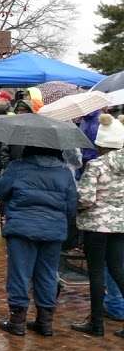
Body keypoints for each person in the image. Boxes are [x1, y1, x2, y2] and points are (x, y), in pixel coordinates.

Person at [0, 146, 77, 336]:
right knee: (47, 274)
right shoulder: (65, 172)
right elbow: (72, 206)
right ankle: (45, 323)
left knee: (20, 274)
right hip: (53, 230)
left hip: (22, 229)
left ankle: (17, 321)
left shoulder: (17, 167)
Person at [71, 114, 124, 338]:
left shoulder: (96, 166)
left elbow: (85, 198)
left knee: (96, 273)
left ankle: (96, 323)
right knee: (118, 270)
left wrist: (76, 203)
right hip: (120, 224)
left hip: (95, 225)